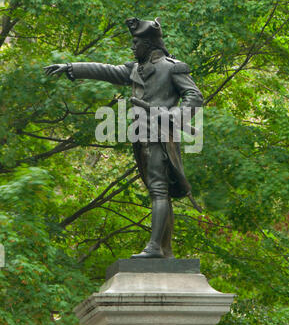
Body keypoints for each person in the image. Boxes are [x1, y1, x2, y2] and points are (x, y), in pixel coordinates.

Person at [44, 17, 203, 258]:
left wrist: (172, 115)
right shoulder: (134, 69)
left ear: (148, 45)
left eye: (136, 42)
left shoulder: (173, 67)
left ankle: (154, 248)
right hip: (142, 136)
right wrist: (70, 67)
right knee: (158, 191)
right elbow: (105, 70)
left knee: (159, 191)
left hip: (161, 136)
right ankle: (164, 249)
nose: (132, 46)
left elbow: (194, 97)